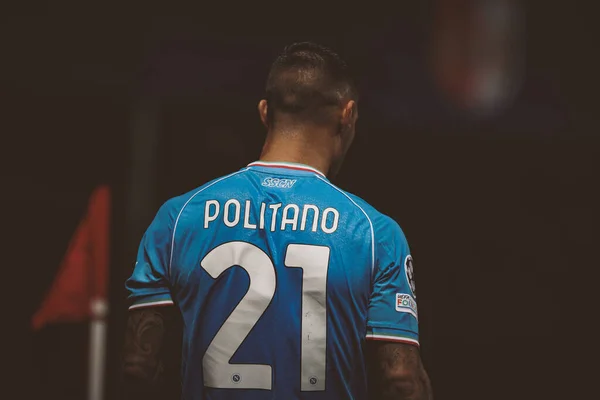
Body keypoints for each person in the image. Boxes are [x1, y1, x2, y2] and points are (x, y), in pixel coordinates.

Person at [122, 42, 433, 400]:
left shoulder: (178, 218)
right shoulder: (374, 233)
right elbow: (401, 380)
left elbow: (138, 367)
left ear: (264, 112)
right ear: (347, 115)